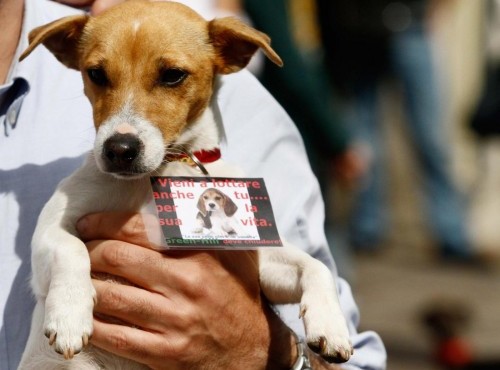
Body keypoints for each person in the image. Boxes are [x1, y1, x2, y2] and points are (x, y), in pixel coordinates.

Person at [0, 0, 386, 369]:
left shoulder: (217, 182)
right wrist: (69, 273)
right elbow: (51, 237)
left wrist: (309, 293)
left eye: (170, 77)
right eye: (100, 76)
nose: (123, 133)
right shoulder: (90, 182)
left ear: (230, 54)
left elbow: (263, 263)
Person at [316, 0, 475, 261]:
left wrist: (438, 9)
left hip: (410, 23)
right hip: (357, 31)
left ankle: (452, 234)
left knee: (430, 137)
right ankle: (368, 229)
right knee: (364, 138)